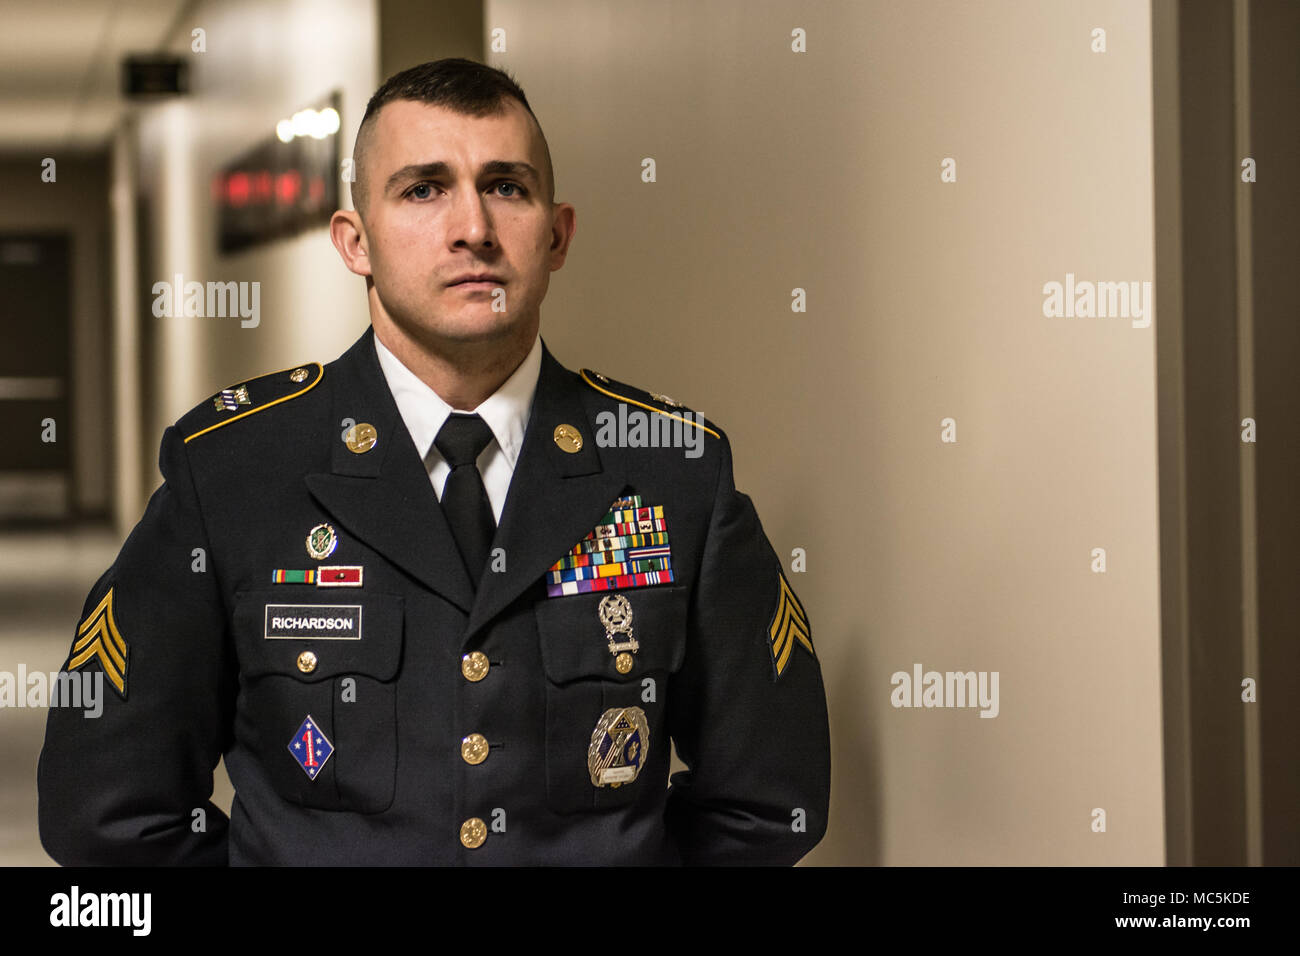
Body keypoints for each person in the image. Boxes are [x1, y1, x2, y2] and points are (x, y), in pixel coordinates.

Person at [37, 58, 830, 865]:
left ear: (557, 236)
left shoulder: (673, 471)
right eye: (423, 189)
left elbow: (769, 801)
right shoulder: (236, 472)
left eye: (507, 187)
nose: (473, 228)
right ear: (356, 242)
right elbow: (105, 813)